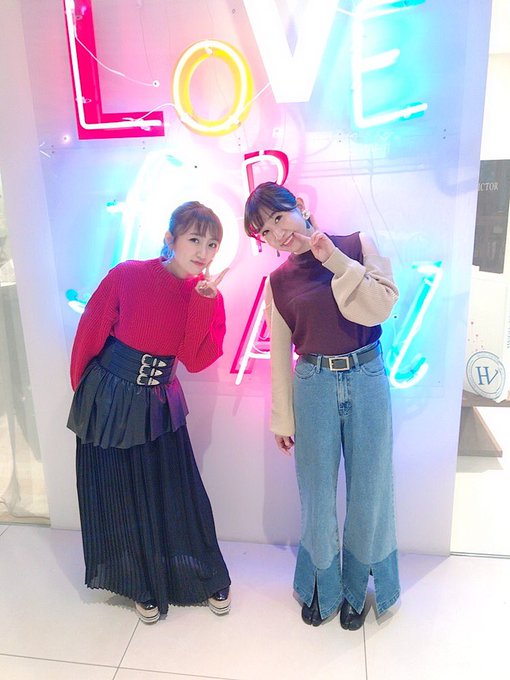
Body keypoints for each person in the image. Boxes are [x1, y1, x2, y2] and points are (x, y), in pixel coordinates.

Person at [244, 181, 400, 631]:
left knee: (370, 488)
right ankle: (322, 585)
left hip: (366, 375)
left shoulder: (356, 244)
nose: (277, 233)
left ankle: (356, 588)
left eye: (279, 217)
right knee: (315, 493)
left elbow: (381, 307)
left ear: (300, 207)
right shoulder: (278, 282)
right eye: (265, 231)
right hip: (312, 383)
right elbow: (280, 353)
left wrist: (334, 260)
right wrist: (282, 418)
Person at [67, 201, 231, 624]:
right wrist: (85, 397)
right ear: (170, 239)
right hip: (109, 396)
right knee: (120, 492)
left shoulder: (207, 294)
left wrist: (204, 304)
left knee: (175, 490)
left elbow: (195, 359)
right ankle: (137, 582)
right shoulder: (128, 275)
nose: (203, 252)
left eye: (212, 244)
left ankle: (198, 573)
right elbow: (90, 331)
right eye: (195, 240)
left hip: (161, 400)